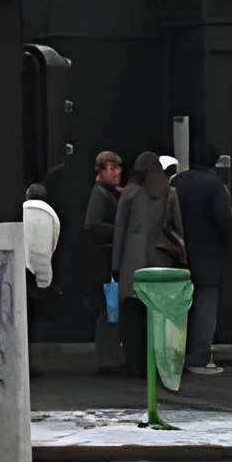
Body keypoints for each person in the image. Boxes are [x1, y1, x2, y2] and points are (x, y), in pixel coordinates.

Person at [170, 148, 232, 378]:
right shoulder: (215, 186)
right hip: (209, 255)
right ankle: (199, 357)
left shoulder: (177, 181)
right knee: (205, 308)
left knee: (178, 308)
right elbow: (225, 223)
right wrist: (227, 246)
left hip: (177, 252)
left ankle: (174, 355)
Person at [109, 151, 176, 365]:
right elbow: (177, 227)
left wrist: (115, 264)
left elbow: (119, 230)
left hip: (133, 261)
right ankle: (157, 362)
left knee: (133, 313)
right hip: (161, 259)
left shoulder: (130, 192)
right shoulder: (170, 191)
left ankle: (135, 362)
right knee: (158, 313)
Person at [79, 149, 125, 359]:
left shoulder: (109, 193)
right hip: (104, 261)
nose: (117, 172)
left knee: (110, 308)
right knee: (109, 308)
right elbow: (92, 224)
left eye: (118, 167)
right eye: (112, 168)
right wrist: (119, 231)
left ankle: (109, 355)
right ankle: (107, 357)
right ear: (100, 170)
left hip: (106, 259)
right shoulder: (100, 194)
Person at [22, 181, 62, 293]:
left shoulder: (23, 210)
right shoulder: (52, 215)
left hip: (26, 272)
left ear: (27, 195)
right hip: (46, 275)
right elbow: (55, 240)